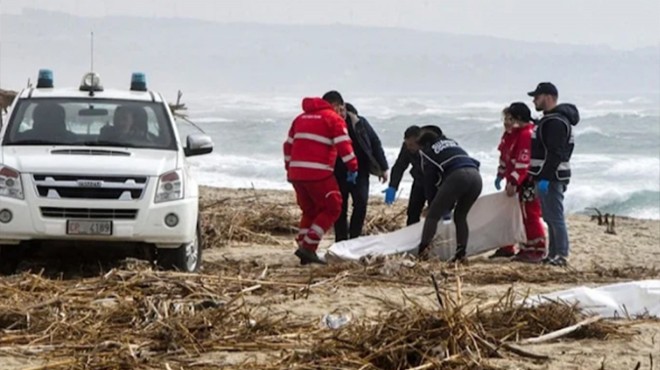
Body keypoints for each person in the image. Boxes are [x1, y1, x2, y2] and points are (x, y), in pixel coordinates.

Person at [283, 92, 358, 265]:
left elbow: (287, 146)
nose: (342, 113)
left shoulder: (300, 118)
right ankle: (308, 247)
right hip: (318, 173)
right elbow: (344, 145)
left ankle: (303, 245)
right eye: (341, 109)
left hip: (296, 174)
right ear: (337, 105)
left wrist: (290, 168)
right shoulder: (333, 118)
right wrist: (353, 167)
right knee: (334, 207)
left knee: (310, 211)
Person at [527, 82, 580, 267]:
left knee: (555, 216)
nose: (534, 100)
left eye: (537, 96)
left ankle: (561, 255)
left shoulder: (555, 122)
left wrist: (544, 178)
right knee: (549, 216)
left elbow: (555, 153)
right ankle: (553, 253)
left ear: (548, 97)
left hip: (552, 177)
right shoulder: (550, 120)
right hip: (550, 175)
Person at [490, 103, 547, 262]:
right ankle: (508, 246)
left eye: (510, 118)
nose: (506, 122)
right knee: (511, 214)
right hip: (513, 179)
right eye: (505, 119)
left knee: (530, 213)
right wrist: (500, 174)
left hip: (526, 181)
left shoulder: (526, 135)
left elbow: (523, 161)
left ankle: (536, 248)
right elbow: (505, 156)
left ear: (519, 119)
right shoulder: (510, 134)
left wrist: (514, 181)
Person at [417, 125, 483, 262]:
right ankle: (461, 254)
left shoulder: (427, 152)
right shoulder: (452, 143)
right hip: (476, 176)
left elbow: (430, 181)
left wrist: (431, 204)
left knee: (432, 216)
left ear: (423, 144)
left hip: (458, 176)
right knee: (460, 216)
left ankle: (422, 253)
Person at [332, 98, 389, 242]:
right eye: (336, 110)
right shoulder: (328, 125)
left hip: (360, 170)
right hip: (337, 172)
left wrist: (383, 167)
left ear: (345, 107)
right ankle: (341, 240)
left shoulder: (360, 123)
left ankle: (355, 238)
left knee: (361, 203)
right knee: (339, 207)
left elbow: (375, 143)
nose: (340, 113)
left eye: (342, 109)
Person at [384, 125, 428, 225]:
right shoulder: (407, 147)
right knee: (412, 212)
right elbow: (399, 166)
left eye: (411, 145)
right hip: (419, 180)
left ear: (419, 142)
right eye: (407, 144)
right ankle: (411, 236)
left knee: (435, 212)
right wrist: (393, 187)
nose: (409, 147)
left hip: (435, 182)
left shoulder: (430, 147)